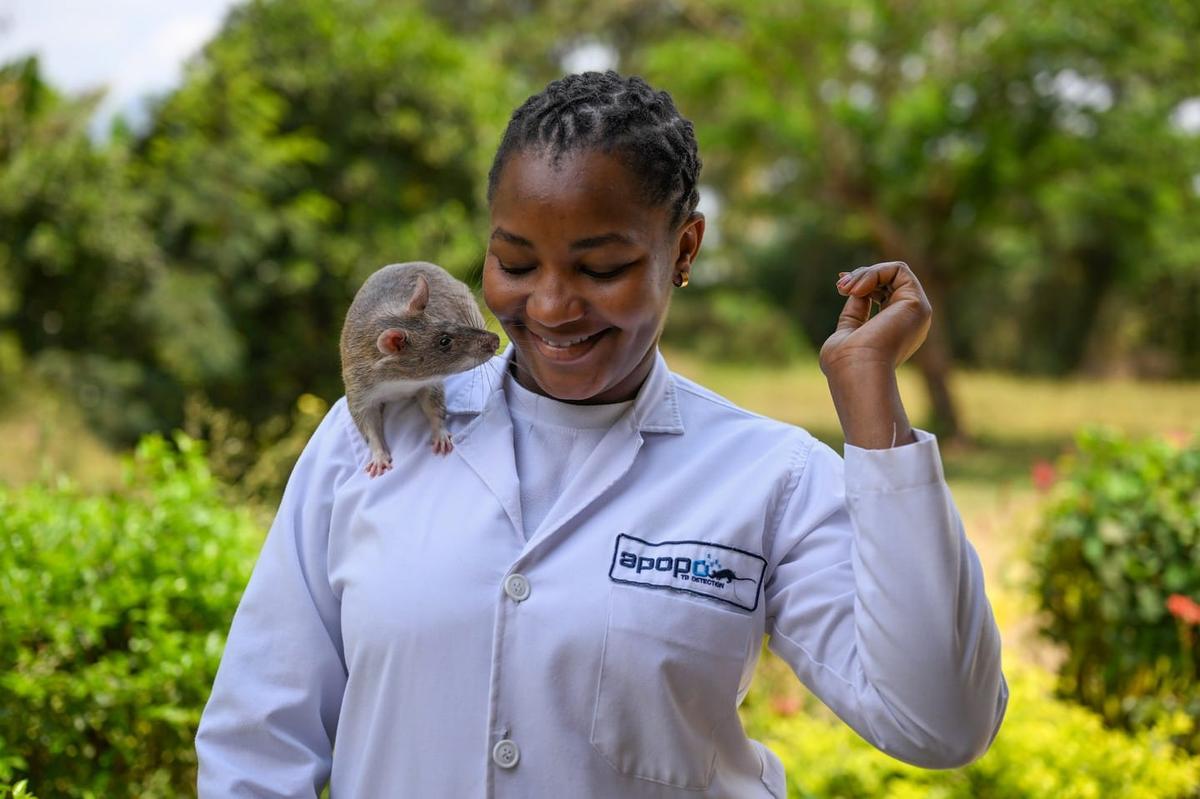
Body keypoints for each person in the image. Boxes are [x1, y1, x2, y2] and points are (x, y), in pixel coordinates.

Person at [196, 70, 1007, 797]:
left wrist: (872, 403)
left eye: (600, 268)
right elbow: (257, 741)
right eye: (516, 263)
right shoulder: (371, 436)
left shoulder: (768, 477)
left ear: (683, 248)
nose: (549, 307)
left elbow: (940, 722)